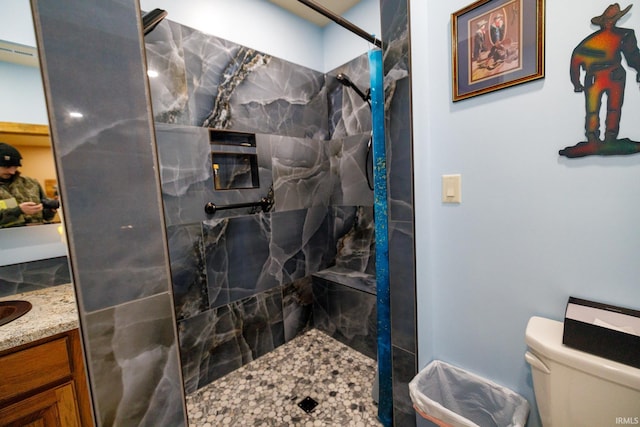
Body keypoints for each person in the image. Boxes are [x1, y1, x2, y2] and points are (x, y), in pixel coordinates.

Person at [570, 3, 640, 144]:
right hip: (612, 75)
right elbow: (632, 56)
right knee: (611, 109)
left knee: (594, 110)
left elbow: (575, 61)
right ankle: (607, 138)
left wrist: (577, 83)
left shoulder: (589, 42)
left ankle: (594, 138)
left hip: (597, 76)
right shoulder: (624, 34)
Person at [0, 142, 58, 228]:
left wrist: (51, 209)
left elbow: (46, 217)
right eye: (7, 167)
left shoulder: (31, 183)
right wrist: (18, 211)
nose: (12, 172)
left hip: (36, 236)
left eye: (15, 167)